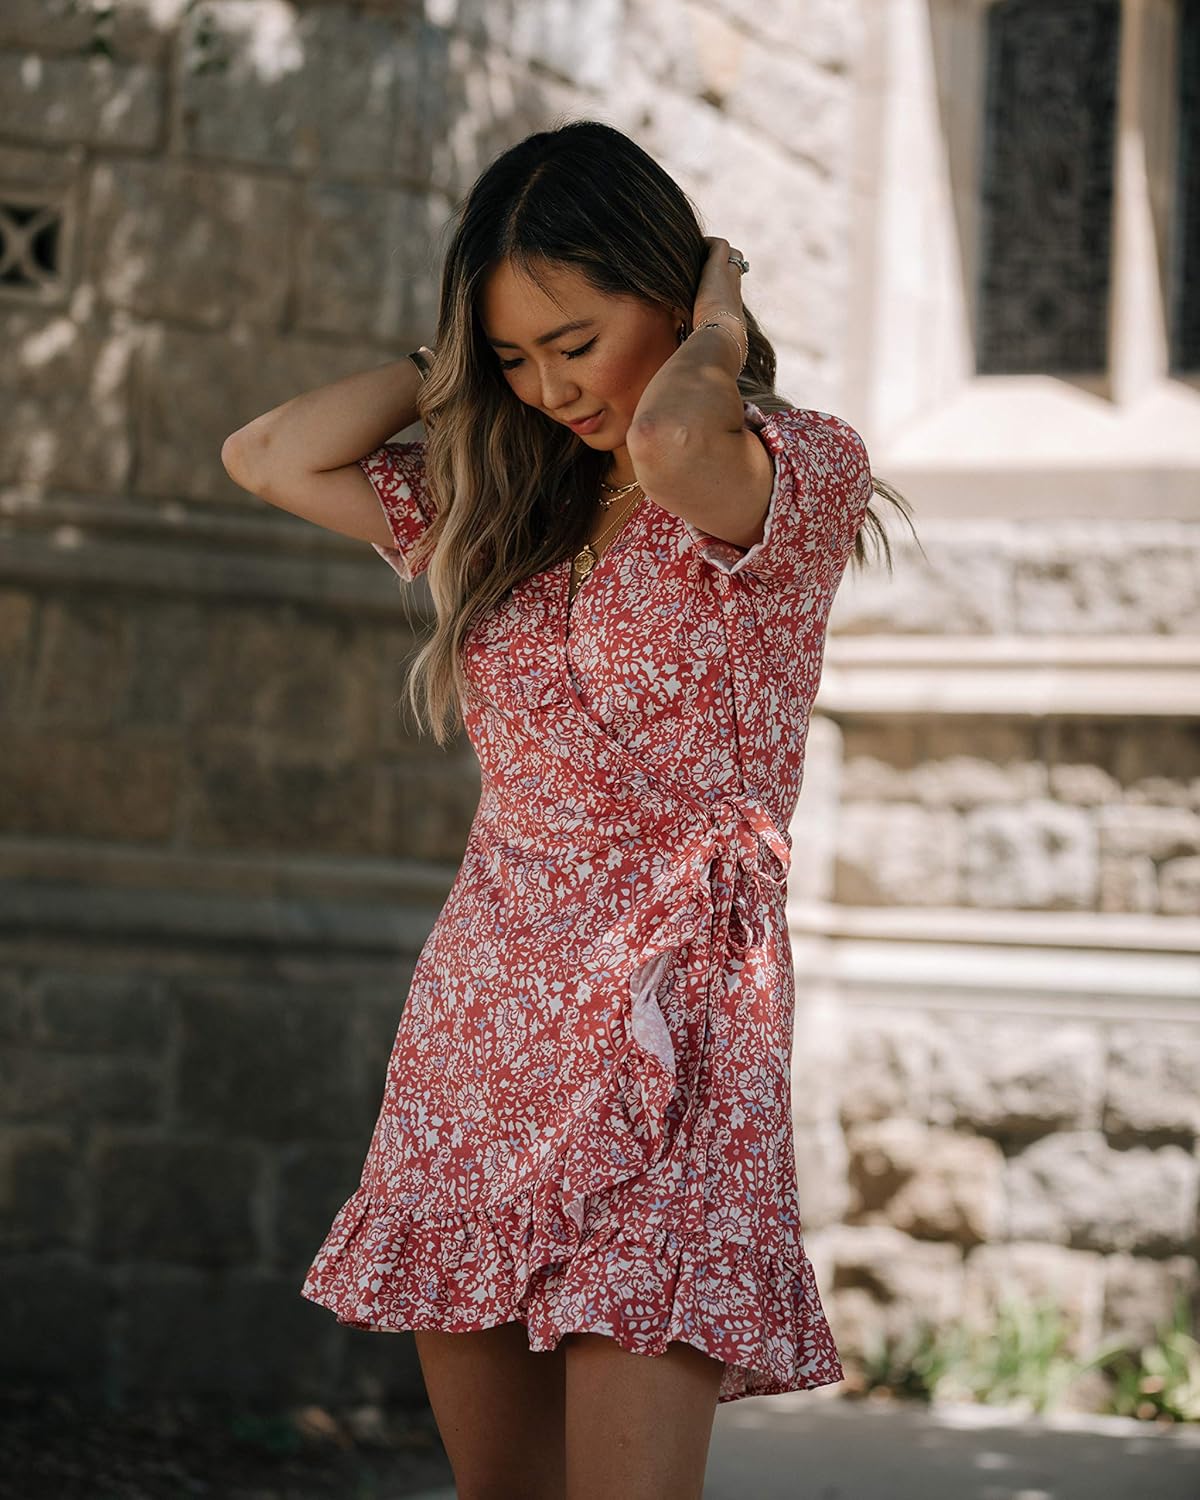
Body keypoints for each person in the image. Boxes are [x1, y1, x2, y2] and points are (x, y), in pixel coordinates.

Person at [221, 118, 915, 1500]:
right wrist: (458, 373)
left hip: (678, 1021)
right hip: (485, 1018)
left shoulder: (787, 469)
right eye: (517, 357)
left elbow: (669, 433)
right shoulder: (508, 501)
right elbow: (269, 454)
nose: (549, 389)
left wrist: (716, 331)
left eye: (575, 341)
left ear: (673, 290)